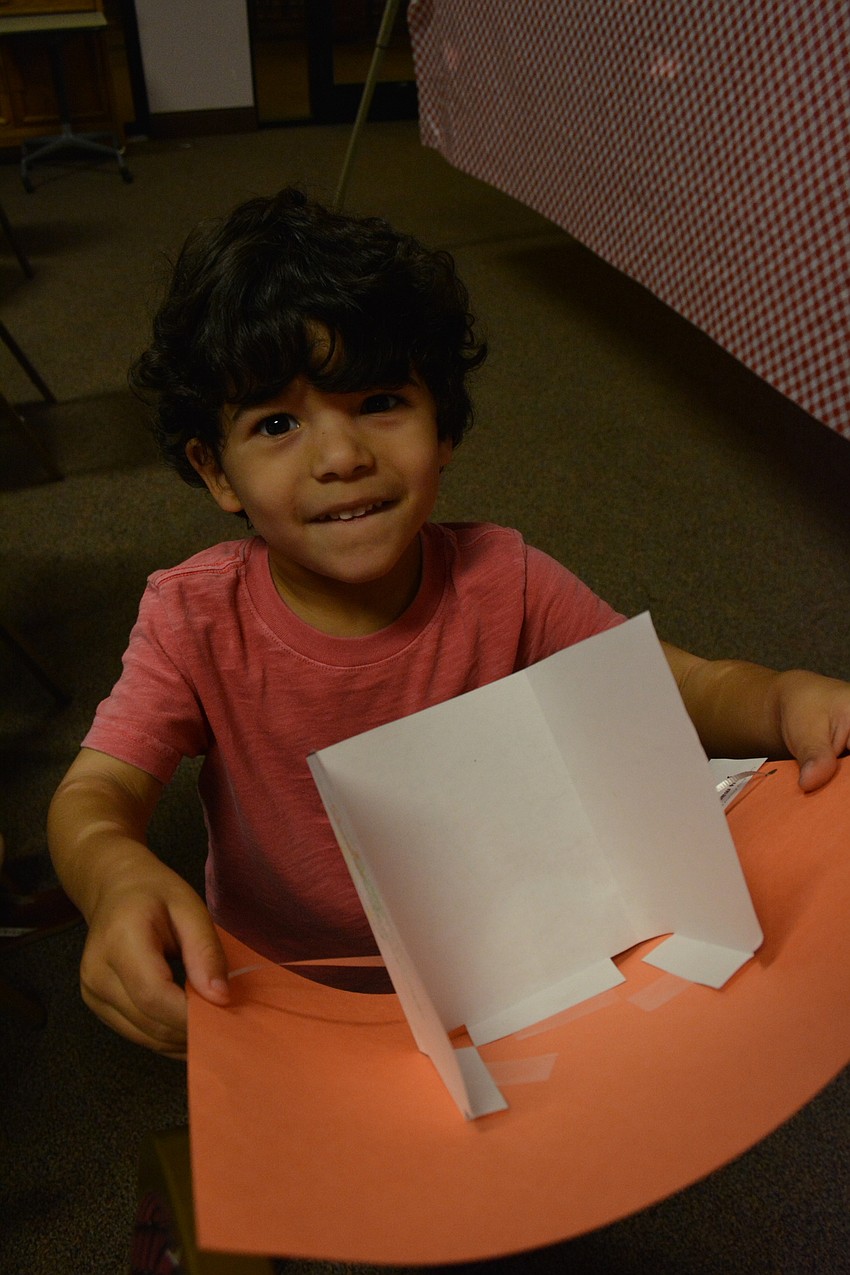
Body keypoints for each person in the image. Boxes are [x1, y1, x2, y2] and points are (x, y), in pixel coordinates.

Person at [47, 188, 850, 1061]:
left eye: (381, 401)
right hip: (285, 993)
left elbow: (670, 684)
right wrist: (111, 874)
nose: (342, 457)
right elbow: (96, 794)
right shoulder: (194, 617)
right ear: (217, 471)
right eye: (277, 423)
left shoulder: (501, 580)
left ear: (445, 427)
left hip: (499, 968)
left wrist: (781, 698)